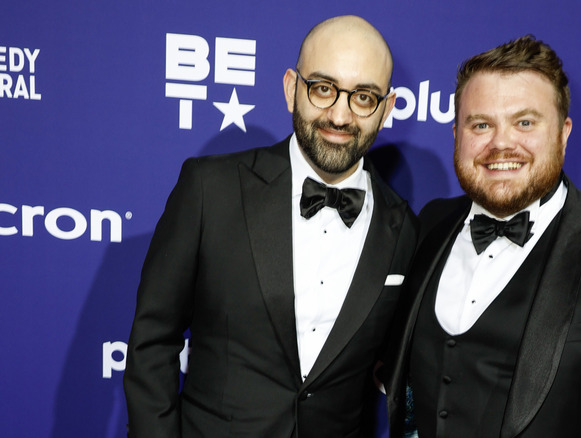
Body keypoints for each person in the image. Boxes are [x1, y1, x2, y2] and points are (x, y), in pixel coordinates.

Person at [385, 35, 581, 437]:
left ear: (563, 132)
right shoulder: (432, 223)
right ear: (456, 135)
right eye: (481, 124)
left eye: (524, 122)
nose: (501, 143)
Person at [124, 15, 418, 438]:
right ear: (290, 88)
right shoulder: (212, 189)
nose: (340, 114)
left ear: (386, 109)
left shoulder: (403, 228)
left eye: (364, 98)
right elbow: (153, 339)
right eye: (322, 88)